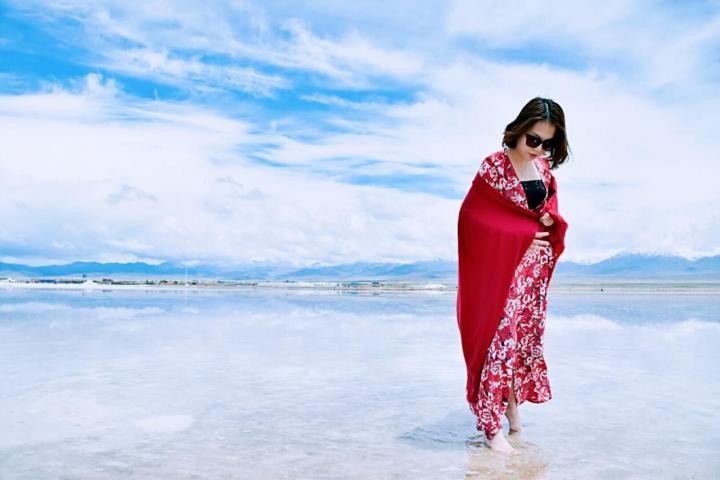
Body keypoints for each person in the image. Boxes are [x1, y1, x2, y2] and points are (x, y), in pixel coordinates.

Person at [456, 97, 570, 453]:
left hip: (532, 274)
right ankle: (491, 428)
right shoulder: (495, 167)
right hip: (502, 271)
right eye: (533, 139)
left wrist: (550, 220)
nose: (539, 149)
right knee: (499, 341)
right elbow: (472, 219)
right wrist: (520, 237)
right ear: (519, 131)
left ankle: (512, 411)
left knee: (519, 342)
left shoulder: (543, 170)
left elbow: (544, 210)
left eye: (547, 143)